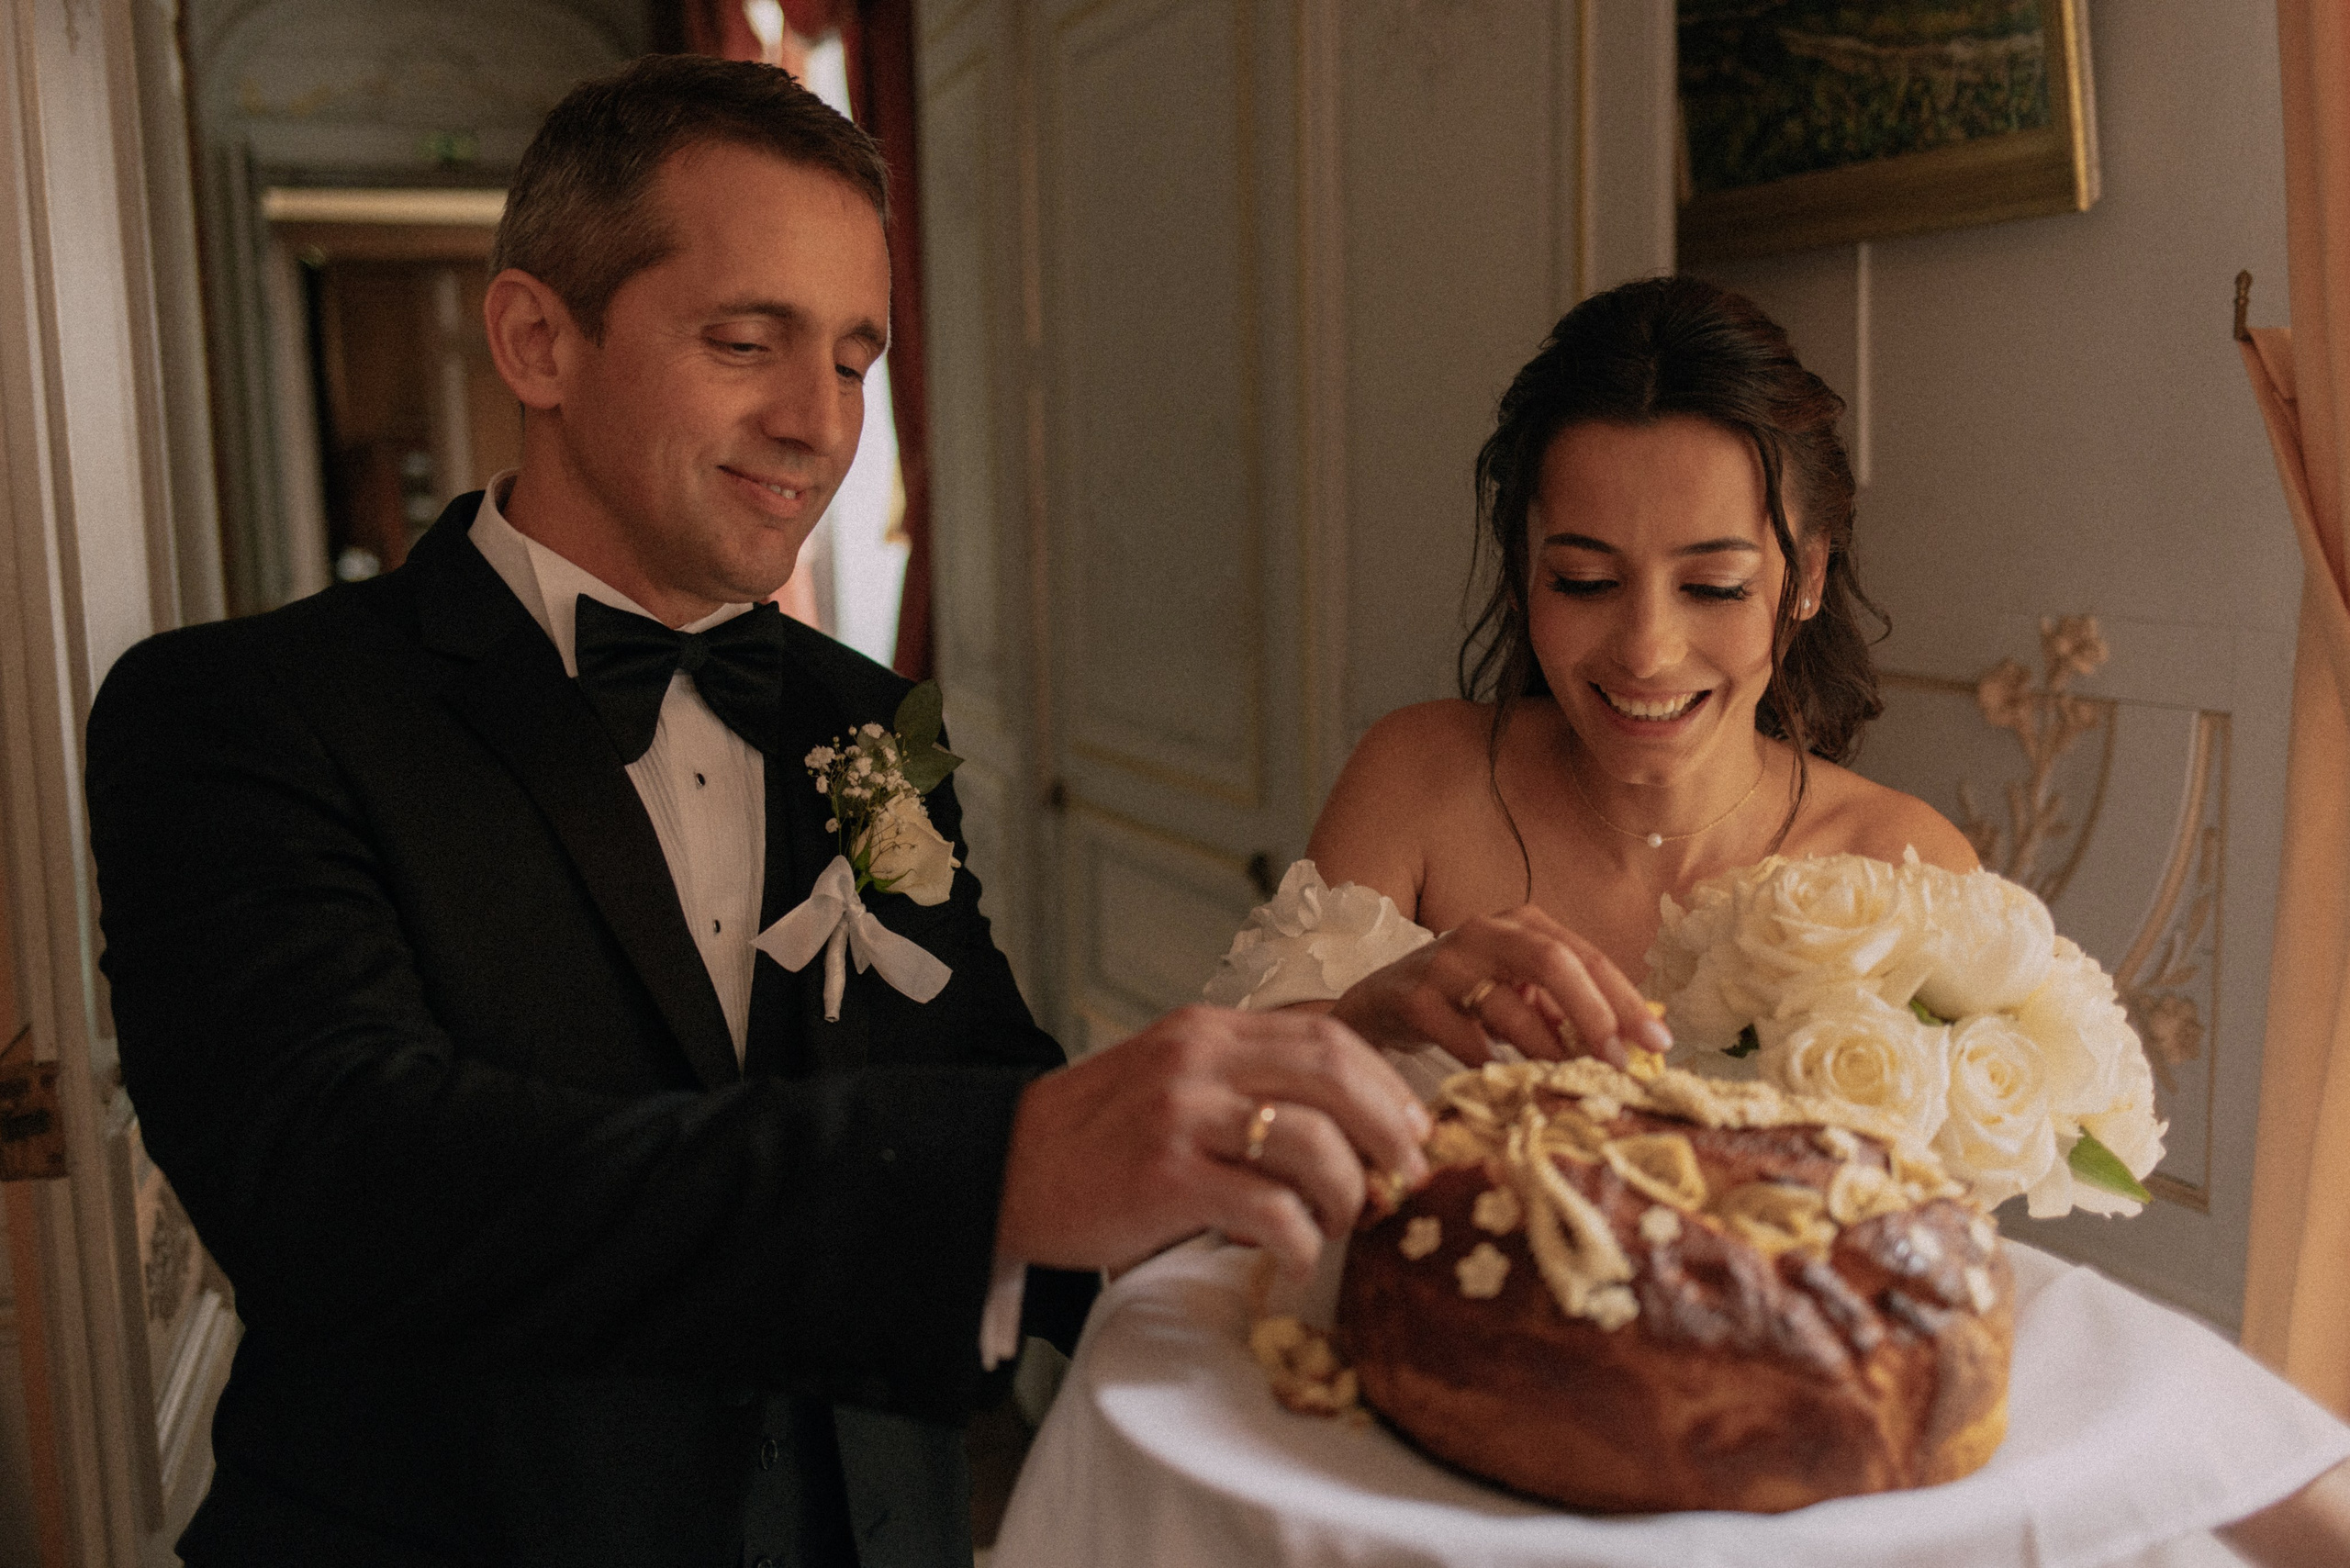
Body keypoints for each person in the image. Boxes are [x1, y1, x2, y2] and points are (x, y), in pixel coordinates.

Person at [85, 55, 1597, 1568]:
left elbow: (986, 1083)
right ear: (538, 339)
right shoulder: (238, 711)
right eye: (749, 341)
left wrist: (1292, 1075)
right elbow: (339, 1186)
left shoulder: (860, 718)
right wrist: (995, 1171)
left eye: (859, 359)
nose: (820, 423)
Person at [1231, 275, 2350, 1565]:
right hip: (1419, 1458)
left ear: (1806, 579)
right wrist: (1366, 1014)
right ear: (1525, 572)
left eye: (1712, 585)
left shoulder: (1901, 867)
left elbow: (1904, 1294)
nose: (1645, 651)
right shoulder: (1418, 777)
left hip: (1774, 1493)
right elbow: (1221, 1115)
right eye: (1584, 577)